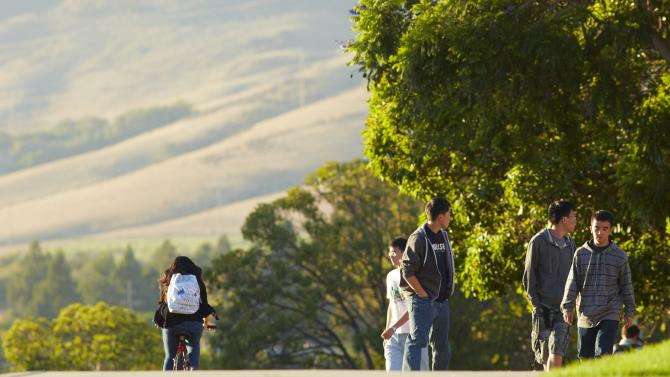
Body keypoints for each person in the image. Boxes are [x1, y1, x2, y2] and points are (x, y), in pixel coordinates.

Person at [561, 210, 636, 359]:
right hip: (585, 313)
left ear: (611, 230)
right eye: (596, 228)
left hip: (610, 311)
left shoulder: (619, 255)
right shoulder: (580, 253)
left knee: (603, 353)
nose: (600, 233)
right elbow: (572, 282)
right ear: (590, 228)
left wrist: (629, 311)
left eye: (605, 229)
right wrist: (567, 307)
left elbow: (626, 284)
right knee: (585, 357)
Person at [400, 197, 455, 370]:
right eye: (449, 214)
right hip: (423, 300)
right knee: (417, 342)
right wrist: (423, 295)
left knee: (442, 348)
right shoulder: (418, 238)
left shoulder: (444, 236)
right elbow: (407, 272)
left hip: (442, 301)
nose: (450, 217)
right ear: (440, 217)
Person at [522, 200, 577, 370]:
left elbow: (574, 277)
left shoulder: (570, 244)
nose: (576, 220)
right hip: (543, 309)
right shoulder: (538, 242)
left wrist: (571, 303)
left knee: (557, 353)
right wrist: (536, 304)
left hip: (563, 310)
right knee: (545, 356)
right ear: (564, 219)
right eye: (573, 216)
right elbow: (529, 276)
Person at [154, 256, 216, 370]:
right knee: (194, 347)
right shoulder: (197, 280)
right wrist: (206, 323)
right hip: (194, 324)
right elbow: (205, 306)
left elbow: (162, 303)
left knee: (169, 357)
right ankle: (193, 368)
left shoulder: (169, 278)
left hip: (172, 324)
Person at [380, 237, 428, 371]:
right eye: (390, 253)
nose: (391, 256)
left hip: (413, 336)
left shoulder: (414, 276)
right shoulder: (390, 276)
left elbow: (414, 308)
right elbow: (392, 304)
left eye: (394, 252)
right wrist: (388, 330)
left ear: (405, 252)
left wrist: (393, 328)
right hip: (393, 338)